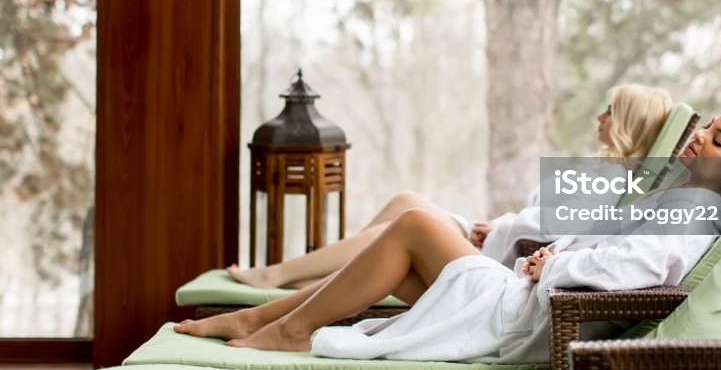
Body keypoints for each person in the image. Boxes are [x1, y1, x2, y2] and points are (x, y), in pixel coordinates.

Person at [175, 108, 721, 364]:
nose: (701, 135)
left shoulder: (701, 210)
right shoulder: (680, 197)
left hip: (541, 322)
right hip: (531, 303)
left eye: (719, 140)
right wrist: (557, 251)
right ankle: (258, 321)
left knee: (414, 224)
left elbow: (635, 271)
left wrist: (550, 266)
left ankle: (285, 329)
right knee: (406, 251)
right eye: (708, 125)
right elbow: (610, 251)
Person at [227, 84, 673, 289]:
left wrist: (493, 229)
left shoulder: (613, 179)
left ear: (628, 124)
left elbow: (553, 230)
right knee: (406, 200)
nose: (600, 117)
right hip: (495, 240)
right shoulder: (602, 169)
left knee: (404, 222)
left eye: (610, 111)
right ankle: (328, 279)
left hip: (495, 260)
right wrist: (498, 224)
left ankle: (281, 275)